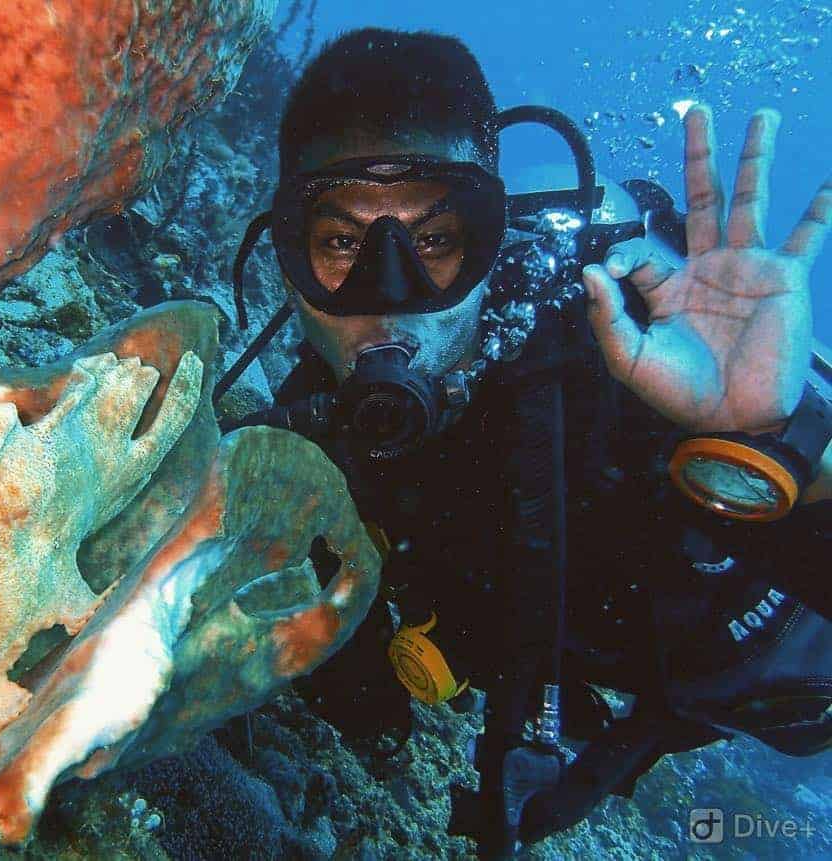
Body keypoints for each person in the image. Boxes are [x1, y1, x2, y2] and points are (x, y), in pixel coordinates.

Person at [218, 28, 832, 859]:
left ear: (490, 236)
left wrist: (774, 443)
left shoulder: (618, 357)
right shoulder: (306, 449)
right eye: (338, 242)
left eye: (434, 240)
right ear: (288, 263)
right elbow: (355, 694)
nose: (388, 298)